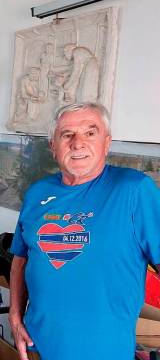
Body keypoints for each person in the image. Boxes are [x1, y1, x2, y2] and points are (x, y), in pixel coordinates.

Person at [9, 102, 160, 360]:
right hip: (35, 348)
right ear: (53, 146)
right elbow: (20, 261)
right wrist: (14, 318)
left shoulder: (134, 190)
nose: (77, 143)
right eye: (67, 134)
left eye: (90, 133)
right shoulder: (37, 193)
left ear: (107, 142)